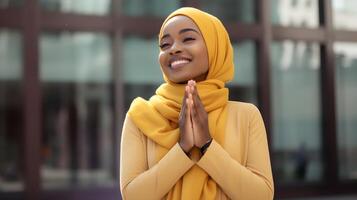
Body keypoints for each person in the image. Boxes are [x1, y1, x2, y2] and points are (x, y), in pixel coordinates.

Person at [120, 7, 274, 200]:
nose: (173, 48)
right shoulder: (140, 117)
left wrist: (207, 145)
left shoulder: (246, 116)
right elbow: (133, 196)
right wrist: (183, 148)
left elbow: (262, 196)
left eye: (188, 39)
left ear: (215, 47)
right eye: (165, 44)